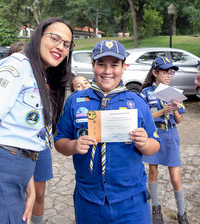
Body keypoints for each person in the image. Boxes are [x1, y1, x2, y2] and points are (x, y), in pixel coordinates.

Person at [0, 17, 74, 224]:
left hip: (21, 175)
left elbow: (23, 134)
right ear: (39, 36)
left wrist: (29, 185)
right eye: (55, 38)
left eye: (66, 44)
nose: (60, 47)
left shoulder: (39, 75)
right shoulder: (16, 67)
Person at [54, 40, 160, 224]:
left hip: (131, 199)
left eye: (114, 65)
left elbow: (155, 145)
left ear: (123, 67)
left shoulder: (137, 102)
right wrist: (74, 145)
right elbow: (59, 142)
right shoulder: (76, 101)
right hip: (89, 199)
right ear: (93, 65)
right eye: (101, 64)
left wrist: (144, 143)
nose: (107, 71)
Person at [141, 56, 189, 224]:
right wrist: (161, 112)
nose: (169, 76)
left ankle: (182, 212)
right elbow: (143, 118)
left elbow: (180, 120)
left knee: (175, 176)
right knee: (153, 172)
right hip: (154, 135)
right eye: (165, 72)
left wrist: (175, 109)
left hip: (170, 135)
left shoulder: (174, 92)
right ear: (155, 72)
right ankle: (156, 208)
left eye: (171, 73)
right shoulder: (146, 93)